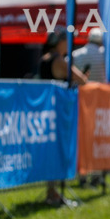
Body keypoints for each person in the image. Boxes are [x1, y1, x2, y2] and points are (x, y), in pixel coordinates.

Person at [38, 28, 88, 205]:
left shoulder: (44, 58)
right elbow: (81, 79)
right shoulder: (58, 60)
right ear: (59, 42)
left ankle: (52, 191)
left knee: (52, 151)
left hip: (47, 111)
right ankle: (54, 193)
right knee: (58, 151)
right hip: (58, 113)